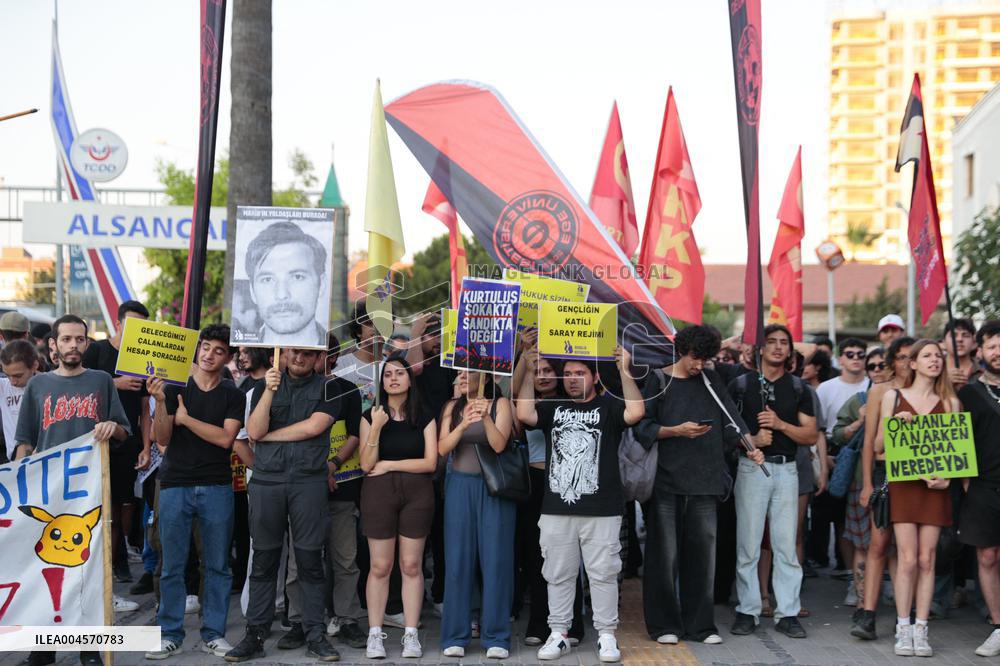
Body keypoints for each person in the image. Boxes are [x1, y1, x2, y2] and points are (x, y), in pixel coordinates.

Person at [14, 314, 132, 666]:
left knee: (88, 570)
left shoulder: (101, 382)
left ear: (87, 342)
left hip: (90, 492)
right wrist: (18, 483)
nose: (74, 346)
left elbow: (125, 433)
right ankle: (44, 647)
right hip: (48, 493)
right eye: (66, 339)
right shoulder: (38, 386)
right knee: (45, 569)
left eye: (80, 339)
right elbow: (24, 441)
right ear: (53, 345)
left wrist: (113, 426)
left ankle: (89, 646)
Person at [635, 325, 763, 646]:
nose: (699, 365)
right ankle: (664, 624)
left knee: (703, 560)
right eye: (695, 358)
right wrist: (675, 431)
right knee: (665, 558)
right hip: (666, 482)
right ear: (681, 350)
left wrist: (752, 446)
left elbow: (732, 420)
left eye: (705, 359)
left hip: (706, 482)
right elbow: (643, 428)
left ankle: (701, 626)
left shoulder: (711, 379)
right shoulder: (659, 380)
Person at [516, 346, 644, 663]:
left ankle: (606, 635)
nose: (573, 380)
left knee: (603, 574)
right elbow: (523, 414)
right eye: (568, 374)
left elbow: (636, 412)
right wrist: (530, 372)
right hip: (557, 509)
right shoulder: (553, 407)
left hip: (602, 509)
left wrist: (625, 371)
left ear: (595, 377)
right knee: (557, 573)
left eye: (580, 373)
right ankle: (558, 634)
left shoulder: (609, 407)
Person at [225, 347, 341, 662]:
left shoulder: (331, 386)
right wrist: (268, 391)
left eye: (307, 353)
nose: (299, 358)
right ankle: (255, 635)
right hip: (267, 482)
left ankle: (315, 634)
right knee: (263, 560)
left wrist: (268, 438)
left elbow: (314, 427)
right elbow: (256, 429)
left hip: (308, 482)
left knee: (309, 561)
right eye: (294, 353)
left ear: (318, 357)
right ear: (284, 353)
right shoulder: (264, 386)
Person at [144, 324, 246, 660]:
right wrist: (160, 402)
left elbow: (225, 439)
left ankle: (213, 633)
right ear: (197, 347)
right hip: (174, 483)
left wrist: (186, 420)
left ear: (228, 357)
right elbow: (162, 438)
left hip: (217, 485)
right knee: (172, 564)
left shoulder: (233, 393)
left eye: (219, 350)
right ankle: (170, 633)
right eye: (205, 346)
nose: (209, 354)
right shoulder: (174, 387)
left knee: (217, 565)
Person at [728, 324, 817, 639]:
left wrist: (780, 425)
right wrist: (752, 440)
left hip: (787, 469)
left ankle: (788, 612)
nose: (778, 347)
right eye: (772, 342)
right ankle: (748, 610)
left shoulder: (799, 389)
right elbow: (728, 430)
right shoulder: (740, 385)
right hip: (752, 469)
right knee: (748, 544)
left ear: (790, 352)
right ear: (760, 349)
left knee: (785, 546)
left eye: (784, 343)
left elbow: (810, 434)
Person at [874, 339, 960, 657]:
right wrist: (894, 424)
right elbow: (878, 448)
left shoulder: (949, 402)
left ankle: (922, 628)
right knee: (907, 559)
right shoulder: (893, 397)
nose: (934, 361)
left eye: (938, 356)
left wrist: (947, 478)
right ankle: (902, 627)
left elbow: (957, 451)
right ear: (913, 363)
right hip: (905, 485)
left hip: (935, 488)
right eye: (927, 356)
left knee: (928, 560)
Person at [359, 354, 438, 660]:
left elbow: (430, 462)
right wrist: (377, 427)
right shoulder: (370, 416)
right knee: (380, 566)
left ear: (409, 379)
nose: (393, 378)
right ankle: (375, 634)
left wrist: (390, 463)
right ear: (381, 382)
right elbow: (367, 464)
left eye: (399, 373)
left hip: (417, 493)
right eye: (387, 374)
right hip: (378, 492)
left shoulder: (424, 415)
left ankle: (411, 634)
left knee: (411, 565)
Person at [437, 370, 515, 659]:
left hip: (493, 489)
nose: (461, 376)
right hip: (459, 486)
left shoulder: (500, 404)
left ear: (483, 375)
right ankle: (455, 635)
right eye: (458, 372)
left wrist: (484, 417)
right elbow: (442, 448)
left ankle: (496, 635)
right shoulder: (451, 406)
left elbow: (499, 444)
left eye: (467, 372)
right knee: (458, 559)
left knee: (496, 560)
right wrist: (463, 423)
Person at [82, 300, 153, 585]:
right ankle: (107, 562)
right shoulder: (98, 351)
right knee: (98, 504)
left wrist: (147, 446)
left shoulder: (141, 357)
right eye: (134, 325)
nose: (139, 331)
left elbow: (146, 407)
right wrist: (116, 382)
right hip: (95, 441)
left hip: (128, 441)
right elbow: (82, 385)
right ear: (119, 324)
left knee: (123, 502)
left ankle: (119, 558)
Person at [850, 336, 915, 641]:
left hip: (919, 475)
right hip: (884, 473)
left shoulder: (931, 390)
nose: (906, 363)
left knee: (909, 550)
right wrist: (866, 485)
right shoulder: (880, 391)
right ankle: (868, 613)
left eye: (910, 356)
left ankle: (909, 613)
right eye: (900, 357)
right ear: (893, 361)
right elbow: (869, 443)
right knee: (878, 544)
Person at [956, 320, 1000, 657]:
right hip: (984, 485)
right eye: (992, 346)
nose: (998, 352)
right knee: (987, 554)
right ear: (980, 351)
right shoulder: (968, 393)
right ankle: (999, 626)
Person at [322, 335, 368, 650]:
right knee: (303, 560)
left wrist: (333, 465)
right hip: (303, 486)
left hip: (342, 483)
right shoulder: (291, 387)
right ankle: (304, 620)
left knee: (345, 558)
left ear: (335, 358)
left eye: (325, 353)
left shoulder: (347, 389)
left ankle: (348, 618)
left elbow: (354, 433)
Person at [832, 347, 887, 610]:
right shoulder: (858, 400)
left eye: (882, 365)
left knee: (896, 545)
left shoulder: (904, 397)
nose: (877, 370)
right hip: (862, 481)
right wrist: (859, 422)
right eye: (872, 366)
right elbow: (837, 434)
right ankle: (862, 596)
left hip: (898, 481)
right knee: (864, 543)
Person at [812, 339, 868, 587]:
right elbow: (818, 429)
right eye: (850, 354)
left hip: (864, 456)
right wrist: (824, 459)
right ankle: (848, 572)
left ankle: (861, 577)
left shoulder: (873, 386)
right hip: (834, 452)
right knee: (839, 519)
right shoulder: (825, 388)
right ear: (840, 359)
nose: (856, 358)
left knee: (859, 518)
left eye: (860, 354)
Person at [244, 221, 328, 347]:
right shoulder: (240, 358)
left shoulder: (338, 356)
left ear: (321, 284)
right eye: (267, 279)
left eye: (297, 277)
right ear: (252, 290)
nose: (282, 294)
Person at [0, 339, 38, 464]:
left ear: (34, 366)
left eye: (18, 375)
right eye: (7, 375)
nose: (12, 381)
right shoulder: (3, 386)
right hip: (14, 460)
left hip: (45, 455)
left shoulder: (48, 385)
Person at [942, 318, 979, 389]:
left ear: (974, 343)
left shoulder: (984, 373)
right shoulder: (934, 369)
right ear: (943, 343)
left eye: (965, 335)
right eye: (954, 335)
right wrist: (944, 384)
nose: (959, 339)